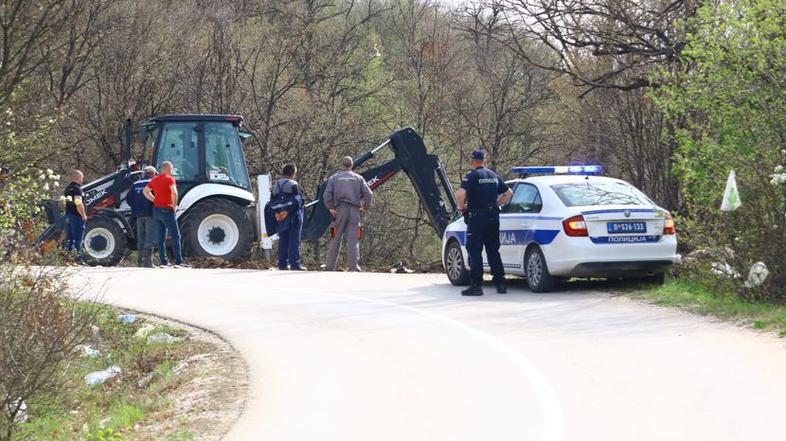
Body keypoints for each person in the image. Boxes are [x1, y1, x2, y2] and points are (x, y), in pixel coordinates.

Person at [455, 150, 513, 296]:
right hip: (493, 217)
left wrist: (461, 208)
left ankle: (476, 286)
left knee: (474, 250)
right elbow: (508, 193)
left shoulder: (472, 175)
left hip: (477, 218)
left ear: (473, 160)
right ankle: (501, 284)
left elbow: (460, 194)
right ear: (484, 160)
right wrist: (496, 204)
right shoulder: (494, 175)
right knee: (493, 250)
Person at [324, 156, 373, 272]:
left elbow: (326, 195)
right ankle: (353, 267)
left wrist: (330, 207)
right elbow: (369, 194)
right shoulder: (358, 178)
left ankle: (330, 267)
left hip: (340, 210)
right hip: (354, 211)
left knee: (335, 237)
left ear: (342, 165)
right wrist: (364, 207)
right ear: (352, 165)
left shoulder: (334, 178)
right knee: (353, 238)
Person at [143, 161, 188, 268]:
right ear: (167, 169)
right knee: (176, 236)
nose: (172, 171)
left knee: (161, 237)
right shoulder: (169, 179)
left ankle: (164, 262)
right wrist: (174, 205)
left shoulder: (154, 179)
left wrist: (154, 200)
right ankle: (178, 261)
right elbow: (174, 192)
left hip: (157, 210)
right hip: (167, 210)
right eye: (171, 169)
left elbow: (145, 191)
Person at [272, 163, 306, 270]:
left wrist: (277, 213)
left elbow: (272, 202)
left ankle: (282, 264)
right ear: (293, 174)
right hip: (293, 216)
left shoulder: (275, 185)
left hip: (280, 216)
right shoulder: (293, 184)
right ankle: (295, 264)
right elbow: (297, 201)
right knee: (294, 240)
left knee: (283, 240)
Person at [127, 166, 157, 267]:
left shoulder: (135, 184)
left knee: (141, 238)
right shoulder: (153, 183)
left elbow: (128, 199)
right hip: (150, 213)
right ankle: (148, 262)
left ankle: (139, 261)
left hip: (138, 215)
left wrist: (136, 208)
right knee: (149, 237)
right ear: (152, 173)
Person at [63, 170, 88, 259]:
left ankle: (67, 259)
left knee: (70, 239)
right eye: (82, 177)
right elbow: (78, 202)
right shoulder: (77, 189)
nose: (82, 179)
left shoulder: (68, 189)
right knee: (78, 240)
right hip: (77, 217)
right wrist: (83, 215)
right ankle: (78, 260)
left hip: (68, 216)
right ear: (78, 177)